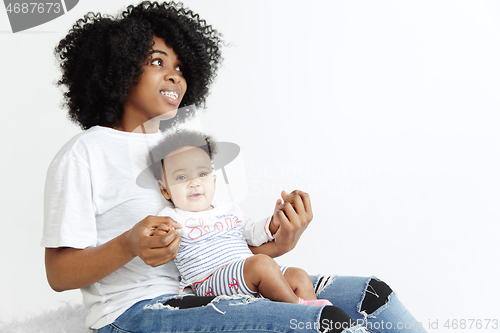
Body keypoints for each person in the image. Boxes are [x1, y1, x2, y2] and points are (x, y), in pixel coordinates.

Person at [42, 1, 427, 332]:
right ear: (119, 69)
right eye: (157, 62)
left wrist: (277, 242)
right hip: (136, 312)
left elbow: (217, 246)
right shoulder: (84, 153)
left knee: (373, 297)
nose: (175, 74)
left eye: (180, 66)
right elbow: (58, 274)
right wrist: (129, 244)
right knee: (320, 323)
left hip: (215, 285)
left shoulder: (183, 150)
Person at [148, 130, 332, 306]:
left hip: (246, 273)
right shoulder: (171, 216)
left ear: (213, 181)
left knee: (299, 276)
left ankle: (312, 324)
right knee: (262, 264)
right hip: (208, 282)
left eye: (202, 174)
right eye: (181, 177)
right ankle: (301, 309)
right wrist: (161, 235)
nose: (194, 183)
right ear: (165, 190)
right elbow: (159, 241)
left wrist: (275, 221)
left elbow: (254, 233)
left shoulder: (230, 210)